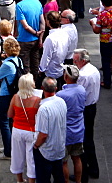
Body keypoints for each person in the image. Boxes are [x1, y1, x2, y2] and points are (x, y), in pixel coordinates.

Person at [72, 48, 100, 181]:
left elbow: (78, 93)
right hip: (92, 106)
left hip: (84, 109)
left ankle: (83, 173)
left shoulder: (83, 75)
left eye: (75, 60)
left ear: (83, 61)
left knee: (82, 141)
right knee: (89, 138)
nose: (74, 62)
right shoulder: (93, 69)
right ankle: (94, 168)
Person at [0, 37, 22, 161]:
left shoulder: (7, 64)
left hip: (5, 94)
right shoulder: (18, 60)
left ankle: (8, 152)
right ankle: (10, 147)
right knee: (11, 122)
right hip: (14, 93)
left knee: (3, 121)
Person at [7, 72, 40, 183]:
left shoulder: (16, 98)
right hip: (31, 131)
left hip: (17, 130)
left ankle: (20, 180)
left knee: (17, 156)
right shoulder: (37, 100)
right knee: (31, 159)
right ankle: (31, 181)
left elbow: (10, 114)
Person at [33, 78, 67, 183]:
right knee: (58, 177)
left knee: (43, 179)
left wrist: (36, 145)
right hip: (59, 148)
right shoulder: (61, 102)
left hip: (45, 151)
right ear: (56, 88)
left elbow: (43, 134)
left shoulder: (44, 109)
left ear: (42, 88)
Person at [59, 65, 85, 183]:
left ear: (66, 77)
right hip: (78, 130)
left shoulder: (62, 95)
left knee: (63, 162)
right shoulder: (82, 90)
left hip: (66, 133)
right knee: (77, 158)